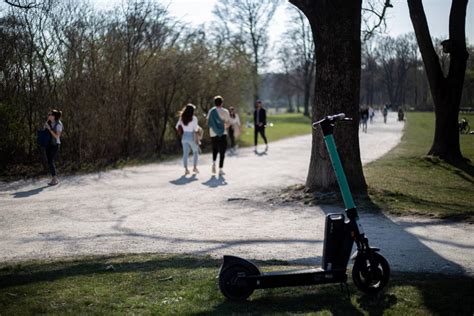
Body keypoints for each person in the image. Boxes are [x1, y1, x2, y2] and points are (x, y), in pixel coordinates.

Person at [207, 96, 230, 175]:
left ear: (214, 103)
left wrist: (215, 127)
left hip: (213, 133)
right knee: (222, 151)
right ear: (222, 103)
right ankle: (220, 169)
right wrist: (222, 127)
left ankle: (214, 163)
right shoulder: (225, 111)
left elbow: (209, 122)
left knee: (215, 149)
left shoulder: (211, 111)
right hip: (222, 133)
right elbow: (227, 123)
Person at [176, 104, 200, 175]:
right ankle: (194, 167)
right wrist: (199, 130)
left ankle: (186, 169)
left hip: (184, 137)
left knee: (185, 153)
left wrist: (182, 130)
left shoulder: (181, 117)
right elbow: (195, 129)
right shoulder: (194, 118)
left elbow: (177, 126)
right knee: (195, 151)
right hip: (191, 136)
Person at [43, 109, 63, 186]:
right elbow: (44, 130)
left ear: (54, 116)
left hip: (55, 144)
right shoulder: (49, 122)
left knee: (51, 160)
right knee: (49, 161)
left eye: (50, 115)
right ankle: (54, 178)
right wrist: (46, 125)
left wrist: (50, 129)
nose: (48, 116)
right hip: (48, 144)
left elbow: (57, 136)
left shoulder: (59, 124)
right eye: (48, 114)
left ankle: (55, 178)